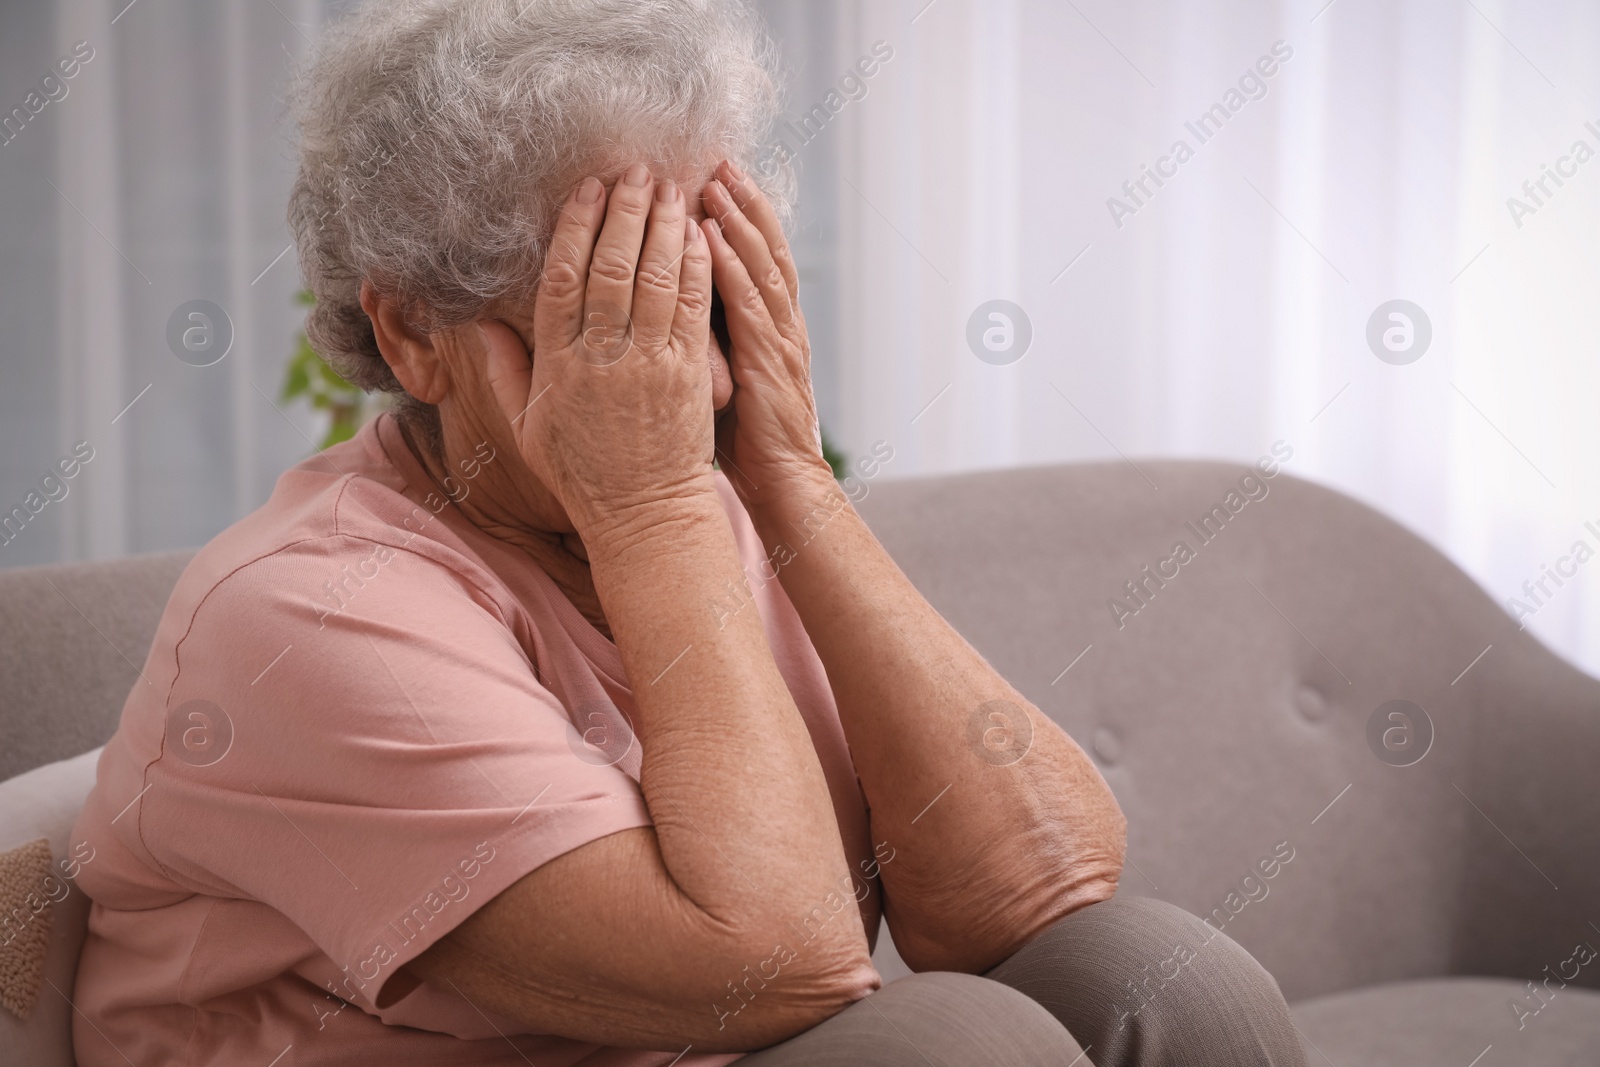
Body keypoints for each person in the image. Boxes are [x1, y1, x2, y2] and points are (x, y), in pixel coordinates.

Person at [69, 1, 1307, 1063]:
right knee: (958, 1047)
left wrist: (791, 483)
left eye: (703, 293)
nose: (690, 384)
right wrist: (652, 508)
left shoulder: (710, 495)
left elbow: (1035, 885)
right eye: (614, 312)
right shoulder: (307, 614)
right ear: (411, 338)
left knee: (1161, 975)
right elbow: (773, 963)